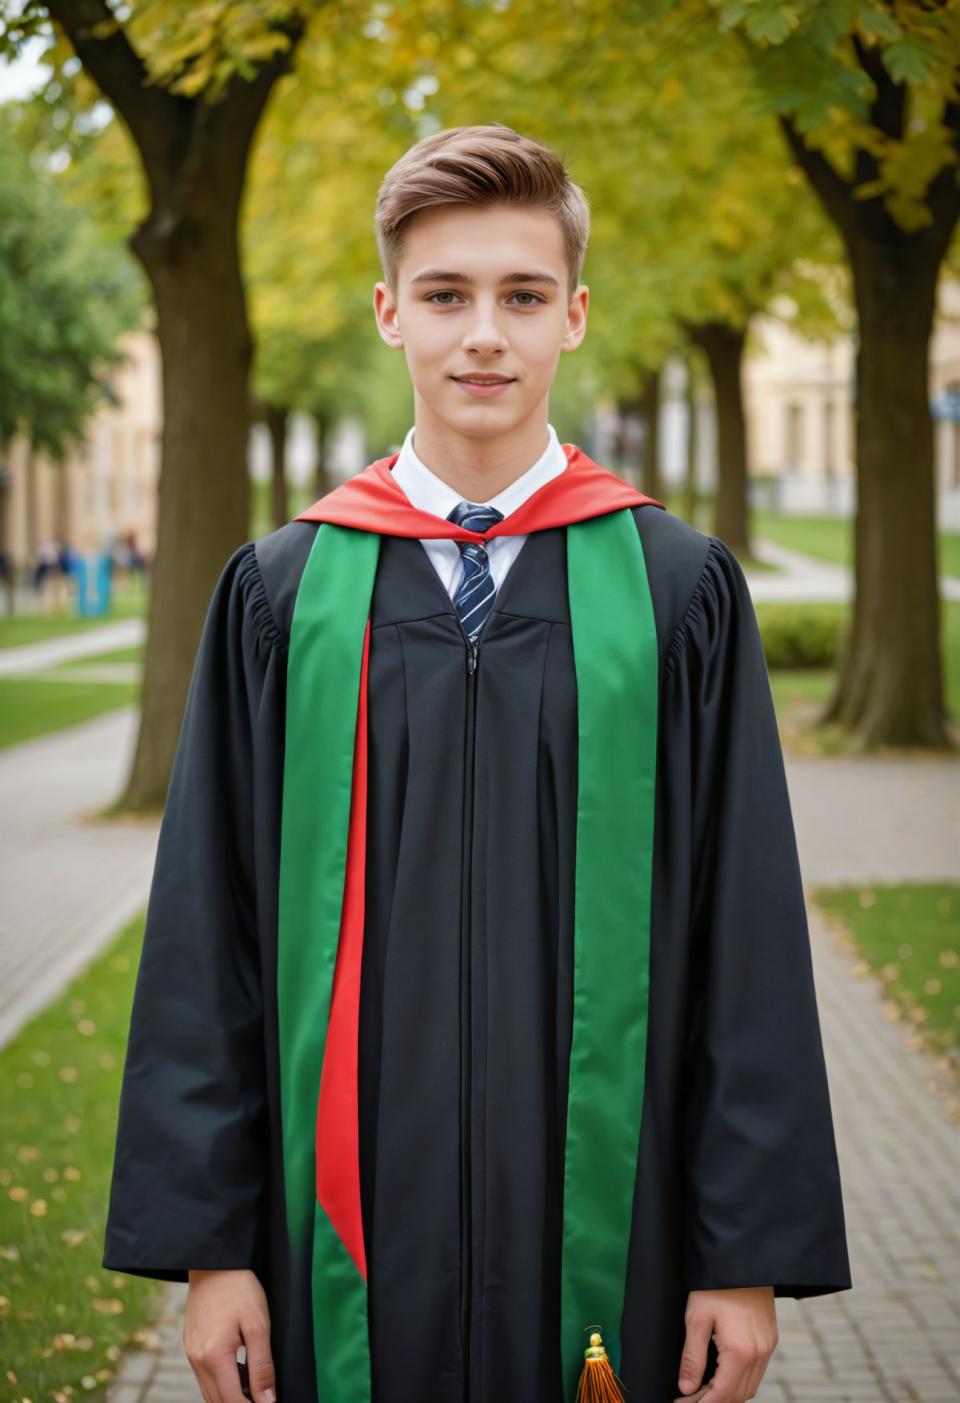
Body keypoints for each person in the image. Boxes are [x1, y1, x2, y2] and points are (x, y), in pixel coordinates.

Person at [102, 123, 851, 1403]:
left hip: (619, 1230)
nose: (483, 334)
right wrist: (211, 1251)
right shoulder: (286, 595)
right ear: (391, 312)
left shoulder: (676, 593)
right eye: (446, 295)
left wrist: (747, 1261)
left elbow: (749, 940)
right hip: (339, 1234)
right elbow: (203, 932)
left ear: (575, 315)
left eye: (522, 294)